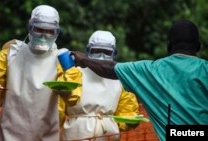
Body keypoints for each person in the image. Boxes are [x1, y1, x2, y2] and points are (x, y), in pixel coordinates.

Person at [71, 19, 208, 141]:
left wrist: (83, 59)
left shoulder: (150, 71)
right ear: (198, 46)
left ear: (168, 45)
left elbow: (109, 69)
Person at [0, 5, 78, 141]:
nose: (43, 35)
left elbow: (74, 98)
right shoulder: (10, 54)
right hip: (9, 133)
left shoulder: (61, 59)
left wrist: (67, 90)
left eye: (49, 31)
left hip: (45, 133)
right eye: (39, 29)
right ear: (30, 28)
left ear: (56, 32)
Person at [58, 30, 140, 141]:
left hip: (108, 135)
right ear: (88, 51)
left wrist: (129, 120)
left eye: (106, 52)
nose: (101, 56)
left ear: (114, 53)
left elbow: (127, 110)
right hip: (77, 133)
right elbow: (58, 107)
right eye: (96, 51)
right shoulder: (75, 72)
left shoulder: (119, 79)